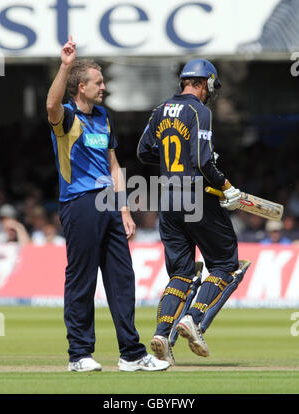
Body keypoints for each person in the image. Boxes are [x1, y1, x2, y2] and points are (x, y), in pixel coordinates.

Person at [46, 36, 169, 372]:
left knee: (121, 278)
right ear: (81, 87)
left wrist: (125, 210)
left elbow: (114, 166)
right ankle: (79, 355)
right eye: (98, 83)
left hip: (109, 206)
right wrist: (65, 65)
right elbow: (50, 105)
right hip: (79, 202)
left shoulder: (103, 117)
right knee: (82, 279)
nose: (104, 87)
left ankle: (131, 353)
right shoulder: (67, 118)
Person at [137, 59, 249, 366]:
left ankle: (162, 333)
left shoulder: (160, 110)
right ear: (204, 83)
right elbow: (203, 162)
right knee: (226, 265)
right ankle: (194, 319)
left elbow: (143, 151)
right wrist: (228, 187)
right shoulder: (200, 112)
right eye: (212, 85)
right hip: (196, 195)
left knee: (182, 274)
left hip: (168, 198)